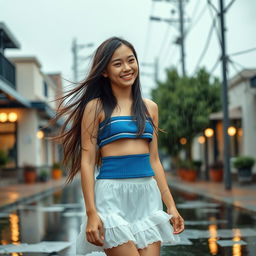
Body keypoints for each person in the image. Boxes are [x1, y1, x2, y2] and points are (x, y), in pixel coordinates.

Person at [54, 37, 184, 256]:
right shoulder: (95, 108)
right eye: (117, 63)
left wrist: (170, 206)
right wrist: (92, 212)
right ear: (104, 71)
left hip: (147, 196)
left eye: (131, 60)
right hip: (111, 197)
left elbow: (154, 161)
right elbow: (86, 162)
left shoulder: (150, 108)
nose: (127, 68)